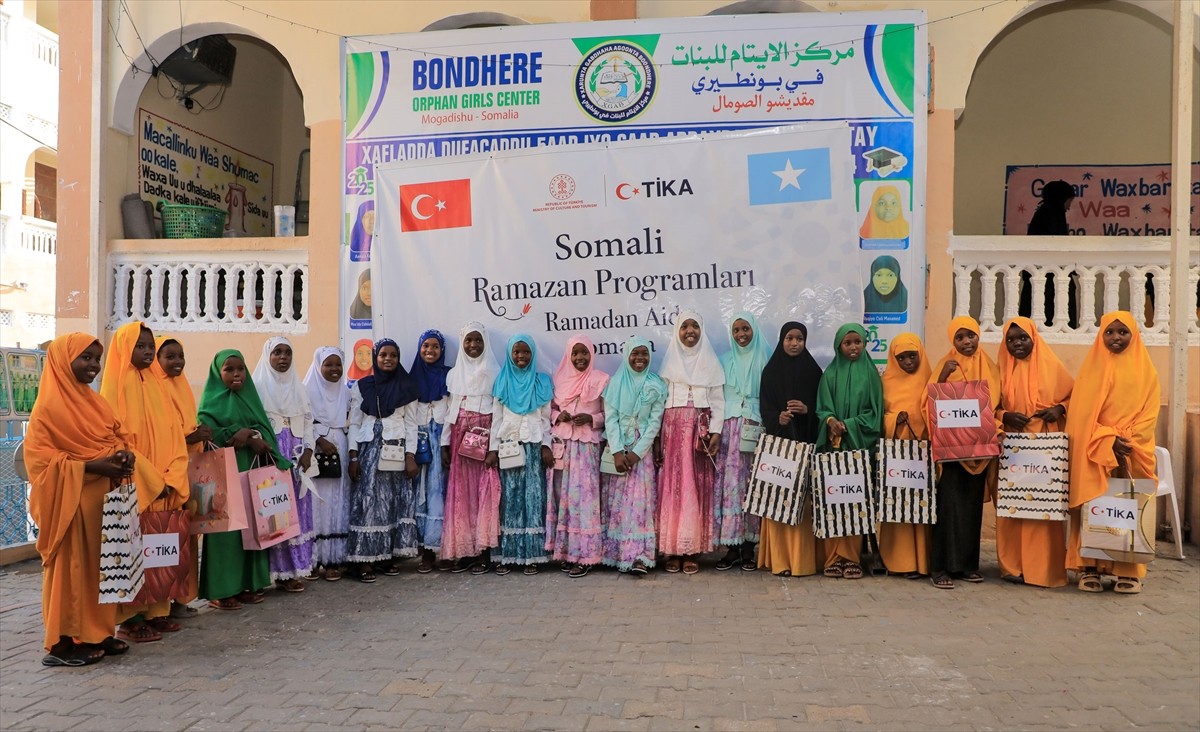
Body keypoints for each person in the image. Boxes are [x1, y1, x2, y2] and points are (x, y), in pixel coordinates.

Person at [27, 334, 147, 666]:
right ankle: (62, 644)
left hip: (101, 503)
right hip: (69, 504)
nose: (94, 365)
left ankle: (96, 633)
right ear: (63, 361)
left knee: (101, 568)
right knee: (71, 572)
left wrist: (123, 455)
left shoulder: (97, 403)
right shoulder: (47, 409)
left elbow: (116, 436)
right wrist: (91, 466)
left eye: (96, 358)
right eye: (85, 357)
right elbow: (40, 463)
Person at [100, 322, 189, 643]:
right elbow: (117, 442)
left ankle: (157, 611)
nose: (148, 351)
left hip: (165, 483)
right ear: (125, 348)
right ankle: (131, 619)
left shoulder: (157, 384)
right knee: (133, 549)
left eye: (150, 346)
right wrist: (152, 479)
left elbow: (174, 434)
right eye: (140, 346)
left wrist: (173, 477)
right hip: (137, 484)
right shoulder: (115, 388)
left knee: (160, 549)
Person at [1066, 312, 1159, 594]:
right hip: (1096, 451)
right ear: (1101, 335)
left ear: (1134, 335)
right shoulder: (1091, 370)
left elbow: (1149, 414)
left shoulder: (1146, 371)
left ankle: (1127, 571)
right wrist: (1107, 440)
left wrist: (1126, 441)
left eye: (1122, 332)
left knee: (1126, 507)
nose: (1116, 338)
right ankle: (1089, 567)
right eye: (1109, 332)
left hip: (1131, 449)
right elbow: (1081, 417)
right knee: (1093, 505)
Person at [198, 349, 290, 610]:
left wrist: (250, 433)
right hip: (223, 475)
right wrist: (239, 434)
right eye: (229, 369)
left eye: (240, 369)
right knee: (225, 533)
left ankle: (247, 584)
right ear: (218, 373)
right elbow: (206, 435)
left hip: (251, 473)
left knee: (252, 528)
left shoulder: (251, 398)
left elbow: (265, 429)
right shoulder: (210, 402)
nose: (236, 374)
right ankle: (221, 590)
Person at [996, 317, 1072, 588]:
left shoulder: (1053, 366)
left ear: (1034, 339)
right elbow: (988, 404)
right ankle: (1011, 566)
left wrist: (1059, 409)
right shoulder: (1000, 371)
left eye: (1023, 338)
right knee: (1013, 506)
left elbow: (1074, 396)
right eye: (1011, 340)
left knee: (1042, 506)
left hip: (1044, 445)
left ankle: (1042, 568)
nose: (1017, 343)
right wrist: (1004, 416)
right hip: (1013, 446)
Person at [926, 316, 1000, 590]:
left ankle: (968, 566)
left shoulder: (990, 366)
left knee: (971, 509)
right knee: (947, 508)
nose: (967, 342)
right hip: (951, 453)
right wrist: (943, 377)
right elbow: (929, 402)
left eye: (971, 336)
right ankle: (940, 567)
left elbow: (996, 404)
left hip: (978, 453)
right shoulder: (944, 364)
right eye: (960, 337)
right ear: (952, 340)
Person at [346, 339, 420, 583]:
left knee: (391, 504)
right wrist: (353, 455)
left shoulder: (407, 387)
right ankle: (364, 560)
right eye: (383, 355)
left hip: (396, 451)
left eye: (393, 355)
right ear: (375, 358)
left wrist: (411, 456)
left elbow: (411, 425)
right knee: (367, 504)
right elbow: (354, 423)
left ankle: (386, 556)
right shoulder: (362, 386)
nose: (388, 359)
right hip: (368, 451)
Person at [657, 311, 725, 575]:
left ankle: (692, 550)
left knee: (695, 487)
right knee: (674, 488)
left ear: (701, 330)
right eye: (684, 326)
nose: (689, 331)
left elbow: (718, 402)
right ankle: (673, 550)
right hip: (672, 434)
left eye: (695, 326)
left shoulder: (711, 363)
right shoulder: (668, 365)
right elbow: (659, 405)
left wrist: (716, 432)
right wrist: (657, 439)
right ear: (677, 331)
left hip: (699, 434)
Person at [150, 336, 212, 617]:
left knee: (186, 538)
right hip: (167, 474)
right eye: (170, 356)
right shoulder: (156, 388)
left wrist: (198, 434)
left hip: (187, 472)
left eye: (181, 356)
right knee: (166, 538)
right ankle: (161, 603)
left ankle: (181, 599)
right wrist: (188, 438)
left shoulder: (181, 385)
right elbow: (160, 434)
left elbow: (185, 425)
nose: (177, 362)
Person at [815, 323, 883, 580]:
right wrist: (831, 421)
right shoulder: (829, 375)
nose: (853, 347)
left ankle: (852, 558)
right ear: (838, 346)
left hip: (859, 450)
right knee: (833, 502)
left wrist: (850, 425)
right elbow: (822, 408)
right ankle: (833, 558)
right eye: (847, 343)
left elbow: (875, 415)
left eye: (857, 342)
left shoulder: (871, 375)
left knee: (855, 503)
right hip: (834, 450)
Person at [756, 322, 824, 578]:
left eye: (799, 339)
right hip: (779, 448)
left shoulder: (814, 372)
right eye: (789, 338)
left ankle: (803, 560)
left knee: (804, 503)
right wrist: (778, 418)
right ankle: (780, 560)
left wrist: (808, 410)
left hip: (806, 444)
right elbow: (765, 407)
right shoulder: (771, 371)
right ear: (781, 340)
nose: (795, 343)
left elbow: (823, 407)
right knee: (778, 500)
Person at [487, 334, 555, 575]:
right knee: (511, 500)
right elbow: (496, 420)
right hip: (509, 447)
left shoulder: (541, 382)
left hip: (534, 447)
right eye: (516, 352)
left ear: (533, 354)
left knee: (533, 499)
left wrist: (546, 445)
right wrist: (493, 449)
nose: (521, 356)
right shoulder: (502, 381)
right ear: (509, 354)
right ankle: (508, 555)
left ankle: (533, 556)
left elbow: (546, 420)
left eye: (526, 352)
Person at [252, 337, 315, 591]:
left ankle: (290, 573)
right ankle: (269, 573)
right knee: (274, 513)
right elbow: (252, 423)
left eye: (287, 352)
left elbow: (309, 422)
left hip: (297, 458)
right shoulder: (256, 388)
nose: (283, 357)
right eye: (277, 352)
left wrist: (308, 450)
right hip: (271, 456)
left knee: (296, 512)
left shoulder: (299, 388)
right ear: (267, 356)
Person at [600, 337, 666, 575]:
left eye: (644, 353)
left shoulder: (656, 384)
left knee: (640, 503)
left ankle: (640, 556)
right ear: (626, 355)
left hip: (642, 453)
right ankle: (618, 554)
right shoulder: (615, 383)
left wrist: (638, 453)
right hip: (618, 451)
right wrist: (618, 451)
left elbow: (655, 423)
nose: (640, 358)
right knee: (619, 503)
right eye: (635, 353)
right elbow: (611, 420)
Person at [440, 322, 503, 574]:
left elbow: (497, 413)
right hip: (460, 443)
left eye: (478, 340)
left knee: (484, 494)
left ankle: (485, 552)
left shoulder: (495, 373)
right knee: (462, 497)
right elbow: (450, 412)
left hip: (484, 440)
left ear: (485, 343)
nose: (473, 345)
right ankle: (467, 552)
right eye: (468, 340)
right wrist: (444, 444)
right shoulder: (455, 375)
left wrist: (494, 448)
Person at [546, 334, 609, 578]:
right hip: (562, 447)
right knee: (563, 498)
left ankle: (586, 555)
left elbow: (609, 413)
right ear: (568, 355)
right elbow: (549, 409)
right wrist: (557, 416)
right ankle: (566, 552)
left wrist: (592, 419)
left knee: (585, 500)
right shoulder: (559, 378)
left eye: (584, 352)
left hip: (586, 448)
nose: (579, 357)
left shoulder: (601, 379)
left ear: (591, 354)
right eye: (575, 353)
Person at [713, 312, 769, 571]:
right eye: (736, 330)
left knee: (752, 486)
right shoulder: (724, 360)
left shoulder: (766, 358)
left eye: (745, 328)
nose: (741, 334)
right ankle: (731, 548)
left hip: (756, 427)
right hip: (729, 430)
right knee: (731, 486)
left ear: (753, 330)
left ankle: (749, 548)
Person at [878, 332, 932, 579]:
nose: (908, 362)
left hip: (924, 452)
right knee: (897, 506)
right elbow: (879, 415)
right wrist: (893, 420)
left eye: (912, 356)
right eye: (901, 358)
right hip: (897, 453)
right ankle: (897, 561)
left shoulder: (930, 379)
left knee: (922, 508)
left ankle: (922, 561)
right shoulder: (885, 382)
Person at [303, 347, 351, 581]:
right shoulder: (306, 391)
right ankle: (313, 560)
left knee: (336, 502)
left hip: (340, 447)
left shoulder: (346, 392)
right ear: (318, 366)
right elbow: (304, 421)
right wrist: (320, 440)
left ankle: (333, 559)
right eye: (328, 365)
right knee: (315, 502)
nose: (334, 369)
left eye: (338, 364)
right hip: (315, 449)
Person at [410, 329, 451, 573]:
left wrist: (446, 444)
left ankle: (442, 548)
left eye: (435, 346)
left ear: (442, 350)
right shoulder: (410, 379)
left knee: (440, 494)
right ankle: (425, 551)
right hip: (418, 445)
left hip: (442, 445)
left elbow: (452, 414)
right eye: (426, 346)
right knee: (420, 495)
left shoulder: (449, 376)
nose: (430, 351)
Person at [1021, 179, 1077, 324]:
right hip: (1048, 278)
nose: (1069, 207)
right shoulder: (1051, 214)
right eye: (1069, 201)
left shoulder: (1045, 212)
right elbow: (1055, 244)